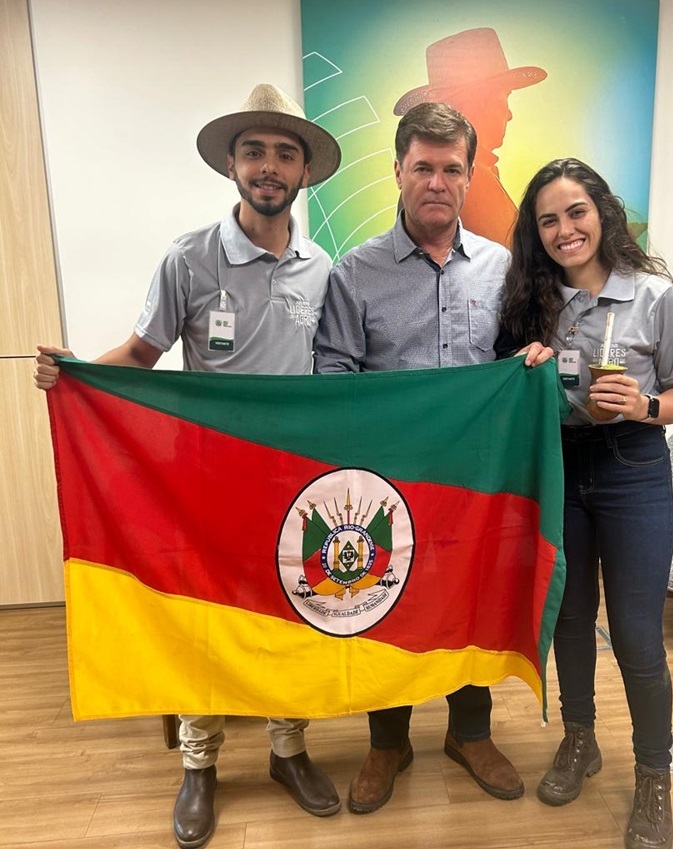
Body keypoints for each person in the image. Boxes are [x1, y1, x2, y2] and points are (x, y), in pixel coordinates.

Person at [35, 83, 343, 849]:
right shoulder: (188, 258)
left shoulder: (322, 268)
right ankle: (200, 762)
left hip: (290, 484)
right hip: (202, 482)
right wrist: (79, 377)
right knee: (202, 621)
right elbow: (139, 357)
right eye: (254, 152)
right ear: (232, 166)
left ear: (304, 172)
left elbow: (335, 376)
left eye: (284, 153)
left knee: (288, 612)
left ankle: (288, 748)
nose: (268, 166)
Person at [314, 101, 551, 815]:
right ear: (398, 170)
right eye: (424, 166)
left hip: (477, 483)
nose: (438, 181)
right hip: (387, 487)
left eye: (452, 168)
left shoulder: (502, 268)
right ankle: (388, 741)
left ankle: (469, 734)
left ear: (469, 174)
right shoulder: (355, 272)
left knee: (469, 603)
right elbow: (332, 374)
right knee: (388, 607)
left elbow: (517, 361)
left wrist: (533, 362)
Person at [496, 158, 673, 849]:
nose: (564, 229)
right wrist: (523, 364)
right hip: (561, 466)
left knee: (639, 636)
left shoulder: (653, 296)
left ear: (602, 214)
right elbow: (508, 388)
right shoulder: (532, 299)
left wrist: (647, 405)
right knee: (571, 617)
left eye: (575, 212)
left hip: (633, 469)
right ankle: (580, 740)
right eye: (549, 219)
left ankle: (654, 775)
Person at [393, 27, 547, 248]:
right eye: (504, 99)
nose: (509, 113)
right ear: (480, 101)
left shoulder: (435, 181)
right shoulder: (470, 184)